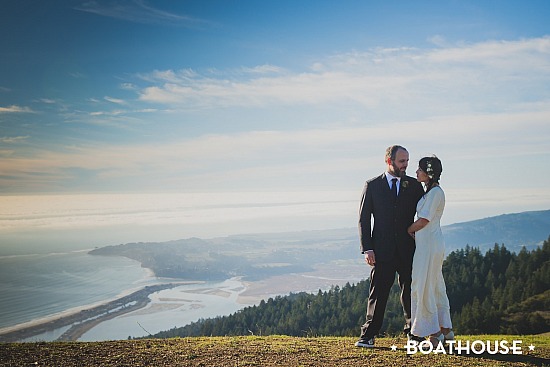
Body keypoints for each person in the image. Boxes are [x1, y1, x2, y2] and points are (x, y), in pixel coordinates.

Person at [355, 145, 425, 348]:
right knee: (378, 293)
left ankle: (414, 334)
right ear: (389, 161)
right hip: (381, 250)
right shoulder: (372, 185)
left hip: (408, 249)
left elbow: (424, 214)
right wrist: (367, 248)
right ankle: (368, 335)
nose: (406, 165)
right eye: (402, 161)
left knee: (411, 292)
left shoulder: (413, 185)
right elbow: (363, 219)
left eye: (407, 161)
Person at [407, 156, 453, 346]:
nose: (416, 172)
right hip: (429, 243)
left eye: (419, 169)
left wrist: (409, 230)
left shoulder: (435, 193)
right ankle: (445, 329)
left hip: (429, 246)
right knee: (434, 284)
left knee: (423, 284)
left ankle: (433, 333)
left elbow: (424, 219)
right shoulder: (432, 192)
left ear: (429, 173)